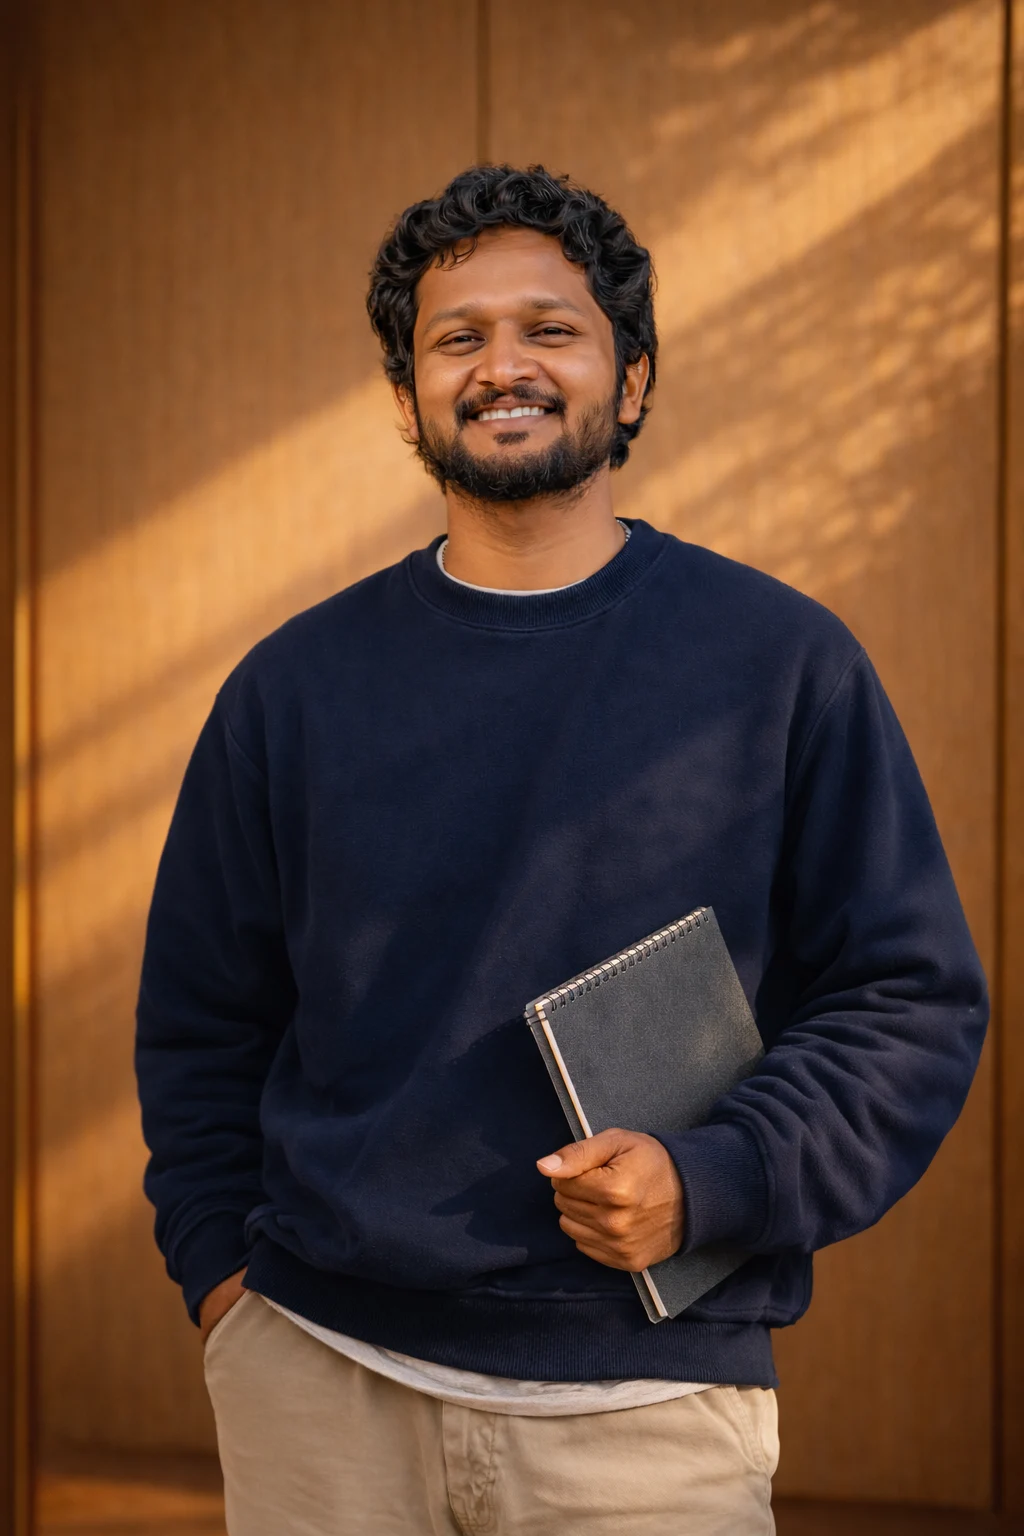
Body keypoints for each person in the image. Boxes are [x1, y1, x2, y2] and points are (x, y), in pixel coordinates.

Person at [135, 165, 987, 1536]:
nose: (503, 366)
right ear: (406, 400)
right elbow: (201, 1024)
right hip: (321, 1384)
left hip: (645, 1413)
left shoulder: (780, 663)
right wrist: (222, 1288)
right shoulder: (291, 690)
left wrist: (714, 1181)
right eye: (457, 337)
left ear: (631, 380)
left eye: (551, 328)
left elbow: (910, 1003)